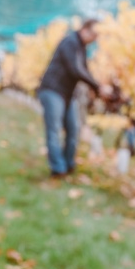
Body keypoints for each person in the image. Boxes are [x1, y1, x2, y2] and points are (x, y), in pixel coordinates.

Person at [37, 19, 102, 177]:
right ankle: (58, 169)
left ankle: (68, 164)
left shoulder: (82, 48)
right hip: (52, 90)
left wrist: (97, 87)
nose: (94, 38)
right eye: (93, 34)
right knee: (54, 130)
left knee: (73, 129)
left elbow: (84, 70)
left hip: (67, 93)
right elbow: (76, 70)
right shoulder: (70, 42)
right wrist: (97, 86)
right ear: (85, 30)